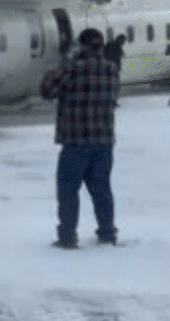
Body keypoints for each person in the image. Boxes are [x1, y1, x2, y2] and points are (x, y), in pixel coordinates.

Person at [39, 28, 121, 249]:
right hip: (103, 141)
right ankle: (107, 233)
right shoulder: (111, 70)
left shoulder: (72, 70)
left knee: (68, 191)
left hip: (76, 141)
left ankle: (67, 236)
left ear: (81, 46)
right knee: (102, 190)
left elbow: (46, 90)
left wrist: (64, 62)